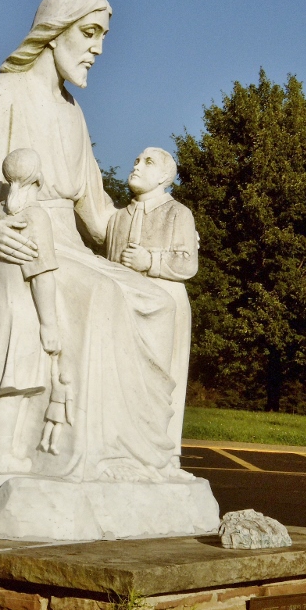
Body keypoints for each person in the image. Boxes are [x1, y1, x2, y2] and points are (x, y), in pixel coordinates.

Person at [0, 0, 178, 483]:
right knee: (103, 296)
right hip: (27, 247)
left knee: (158, 299)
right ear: (54, 33)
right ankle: (82, 456)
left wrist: (155, 216)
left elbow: (97, 213)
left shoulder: (73, 113)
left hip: (69, 246)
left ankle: (144, 455)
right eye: (89, 33)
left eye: (103, 37)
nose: (97, 49)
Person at [0, 147, 61, 473]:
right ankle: (0, 456)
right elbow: (42, 275)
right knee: (12, 387)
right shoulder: (35, 217)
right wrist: (49, 325)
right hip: (19, 312)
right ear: (38, 178)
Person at [106, 147, 198, 468]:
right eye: (136, 160)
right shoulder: (118, 218)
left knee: (163, 379)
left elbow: (188, 264)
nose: (137, 166)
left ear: (164, 177)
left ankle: (165, 453)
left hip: (166, 305)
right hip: (124, 307)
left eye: (148, 162)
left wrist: (150, 261)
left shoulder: (178, 213)